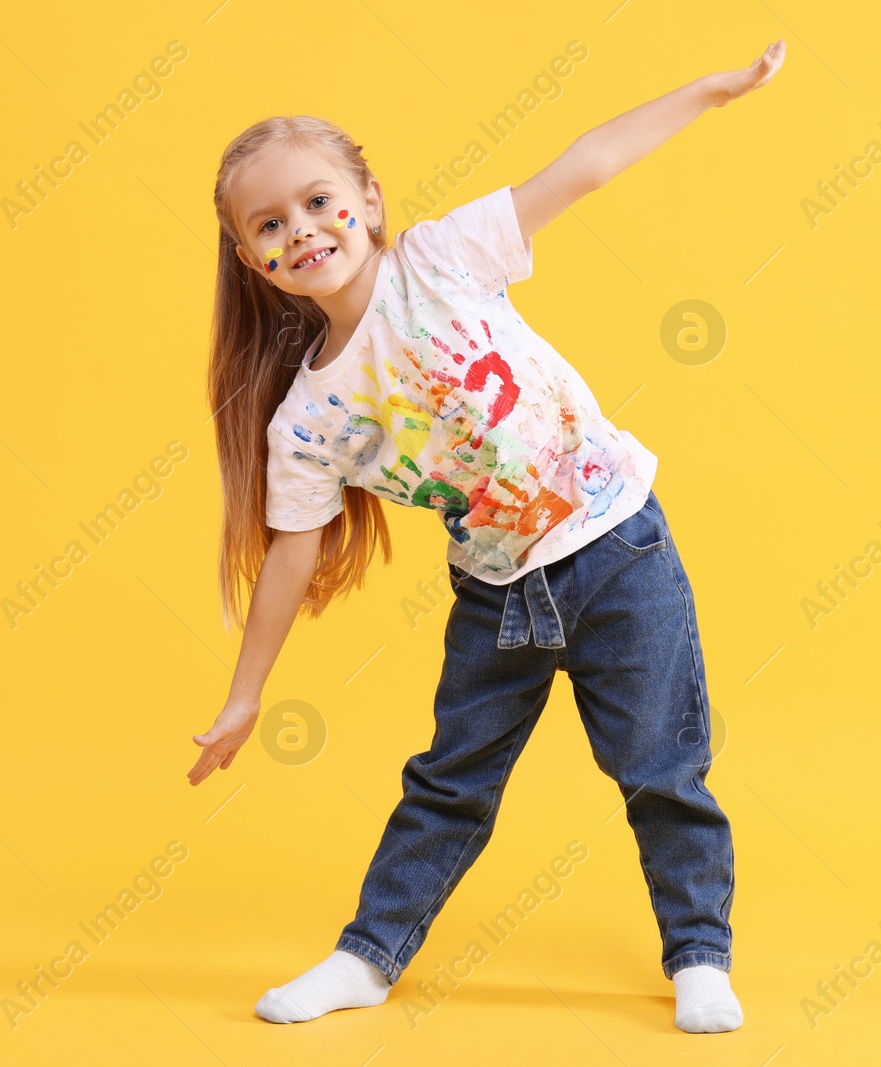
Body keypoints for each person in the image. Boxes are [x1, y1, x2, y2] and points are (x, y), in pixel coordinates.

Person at [188, 41, 787, 1034]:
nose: (299, 230)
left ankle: (699, 955)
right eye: (269, 224)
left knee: (661, 766)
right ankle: (365, 956)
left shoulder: (440, 257)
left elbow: (583, 167)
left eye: (316, 201)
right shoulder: (303, 418)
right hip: (498, 593)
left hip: (616, 546)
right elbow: (291, 550)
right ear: (252, 260)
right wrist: (245, 692)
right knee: (449, 781)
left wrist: (709, 92)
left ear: (367, 201)